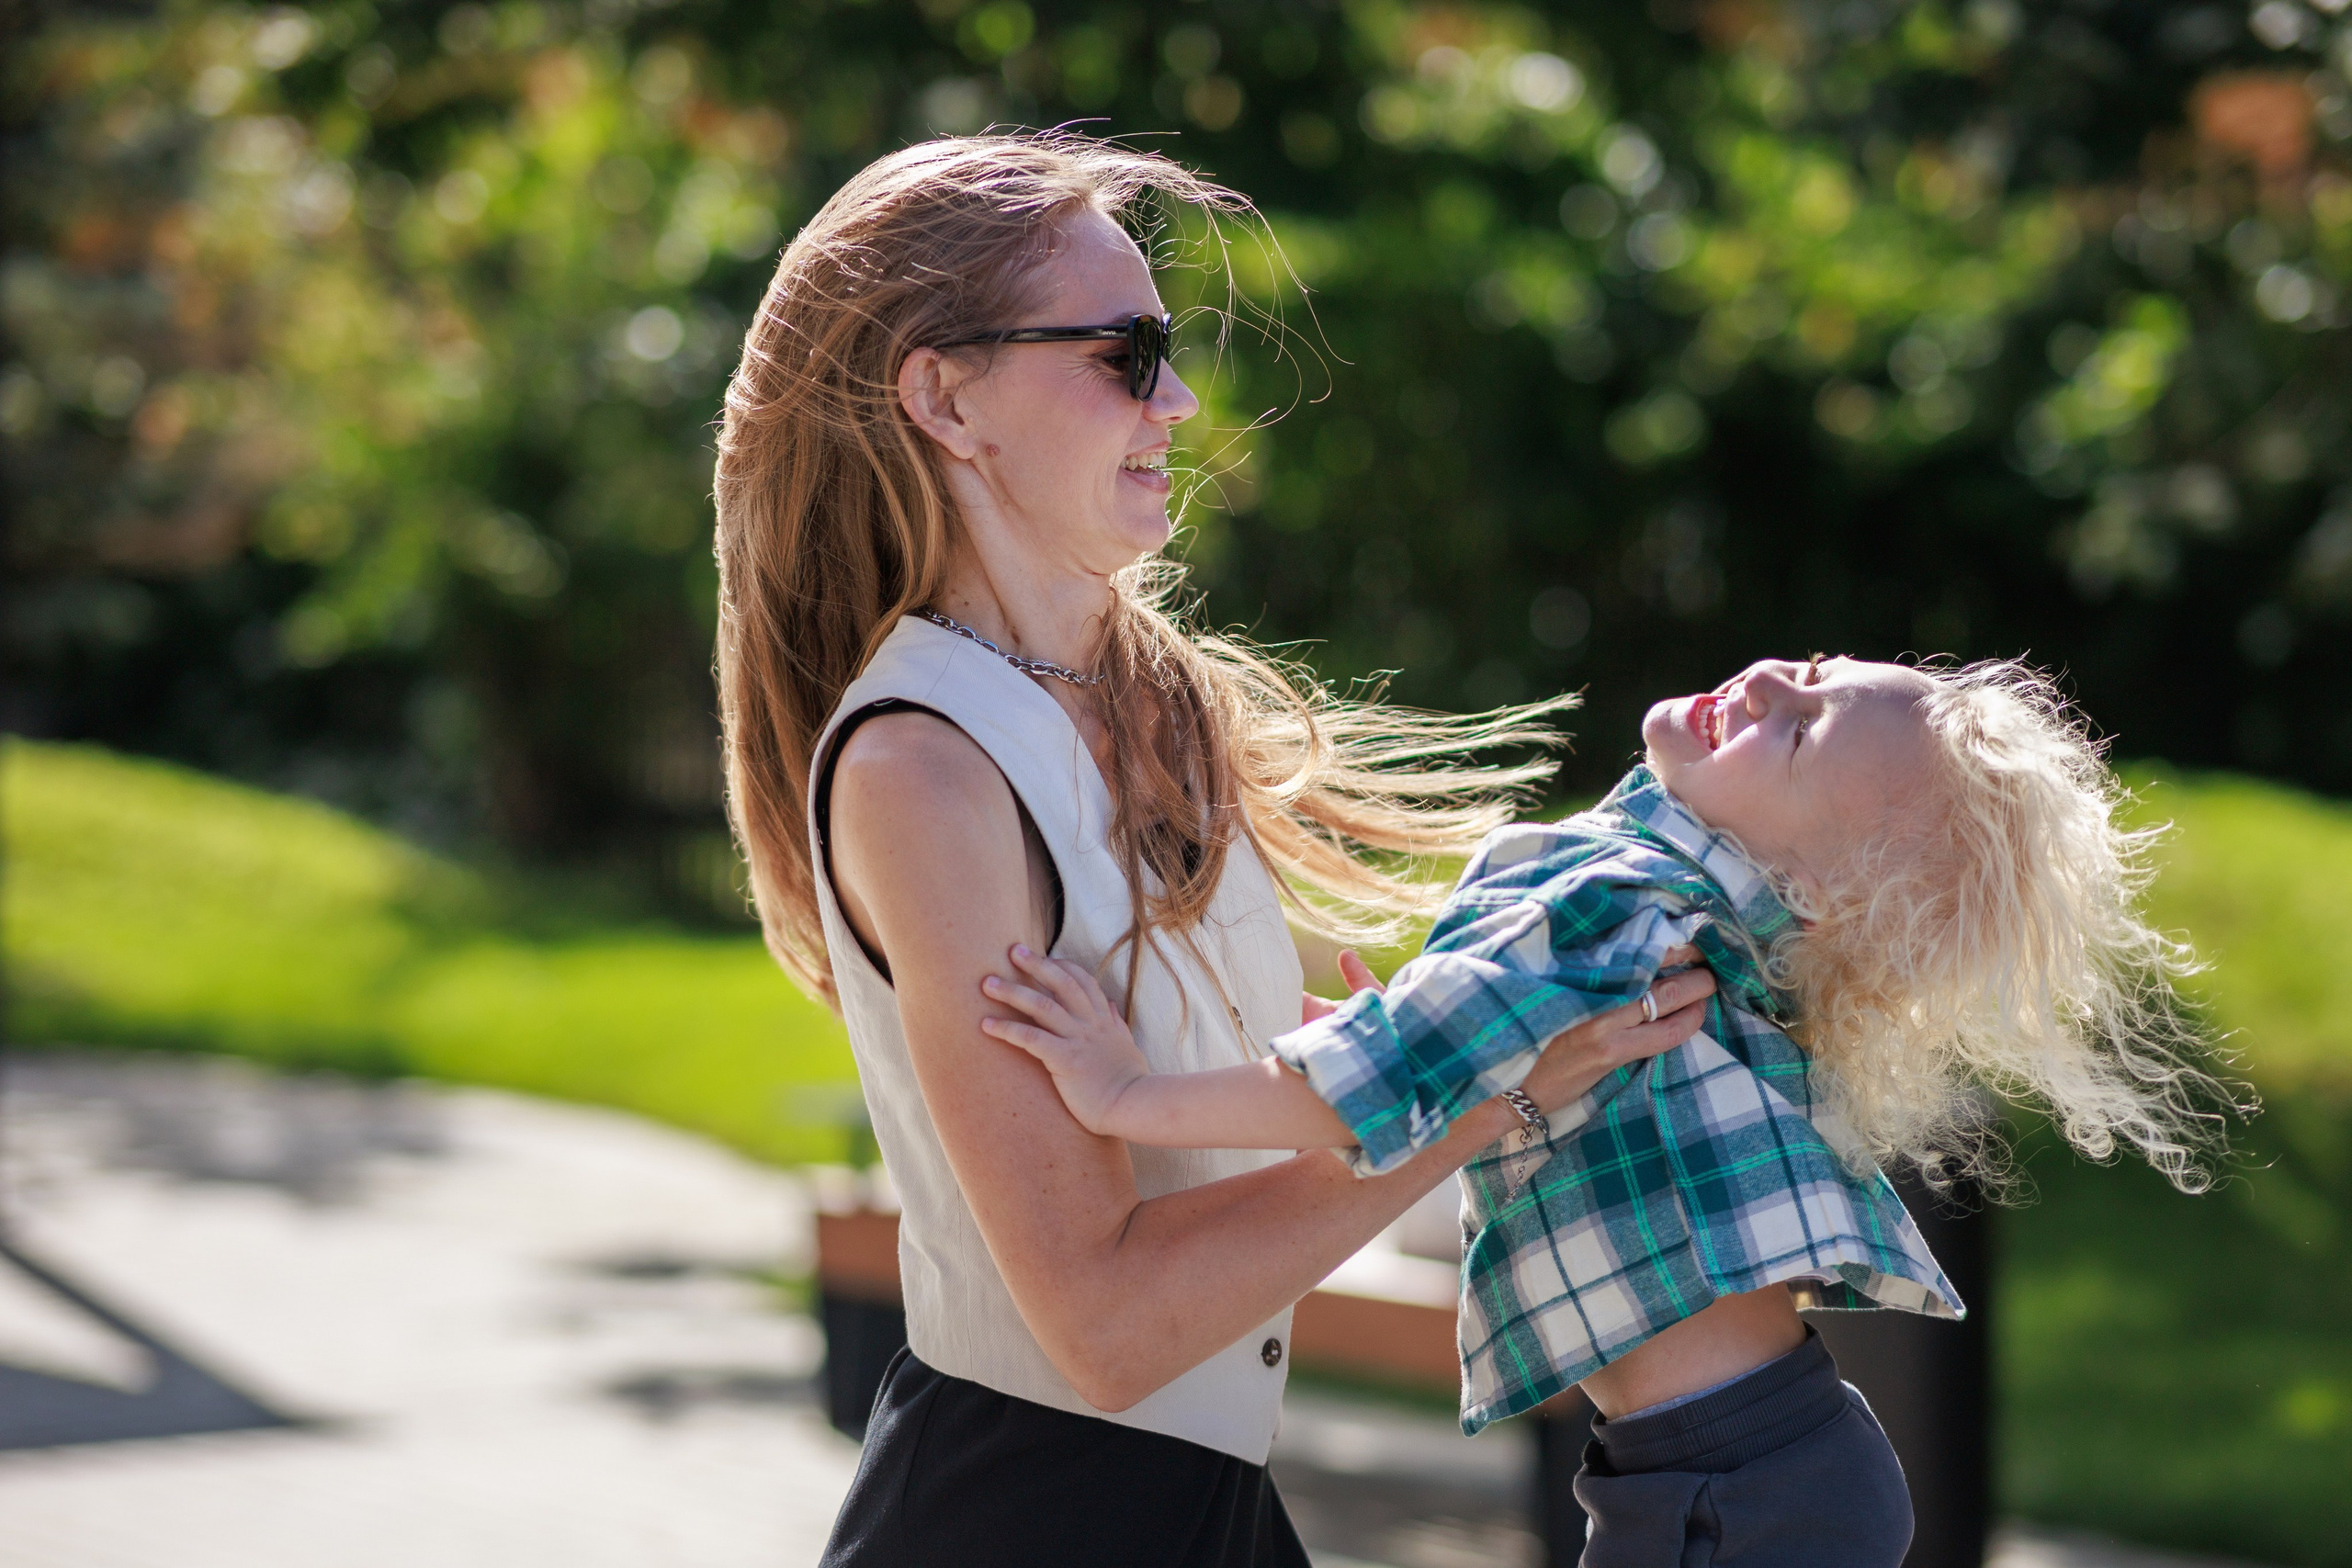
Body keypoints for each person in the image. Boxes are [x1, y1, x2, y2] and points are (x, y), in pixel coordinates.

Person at [711, 130, 1718, 1568]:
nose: (1178, 399)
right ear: (944, 396)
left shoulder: (1152, 698)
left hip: (1203, 1517)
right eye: (1124, 353)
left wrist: (1487, 1018)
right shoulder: (920, 769)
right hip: (1027, 1517)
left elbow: (1209, 1072)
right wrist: (1480, 1097)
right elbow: (1105, 1328)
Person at [984, 653, 2229, 1566]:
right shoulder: (1652, 896)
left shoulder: (1625, 900)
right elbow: (1431, 1055)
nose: (1767, 693)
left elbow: (1399, 1070)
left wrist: (1125, 1091)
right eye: (1808, 673)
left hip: (1731, 1489)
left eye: (1795, 741)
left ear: (1804, 886)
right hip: (1751, 1470)